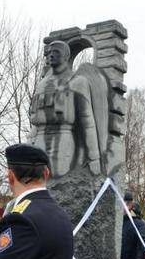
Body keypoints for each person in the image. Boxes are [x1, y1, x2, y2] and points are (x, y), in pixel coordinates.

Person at [29, 40, 103, 178]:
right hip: (39, 139)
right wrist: (30, 142)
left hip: (63, 138)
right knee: (37, 181)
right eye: (49, 52)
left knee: (59, 178)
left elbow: (87, 121)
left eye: (56, 52)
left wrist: (94, 157)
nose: (51, 55)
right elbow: (36, 120)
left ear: (66, 56)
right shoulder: (42, 84)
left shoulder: (77, 82)